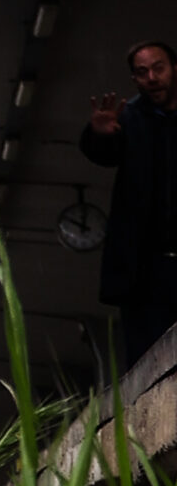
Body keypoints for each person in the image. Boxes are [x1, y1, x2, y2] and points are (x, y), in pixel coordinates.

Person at [80, 40, 177, 371]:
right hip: (145, 270)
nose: (152, 77)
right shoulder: (130, 119)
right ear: (134, 80)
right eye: (142, 72)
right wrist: (100, 134)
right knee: (147, 363)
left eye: (158, 68)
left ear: (173, 69)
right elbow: (104, 154)